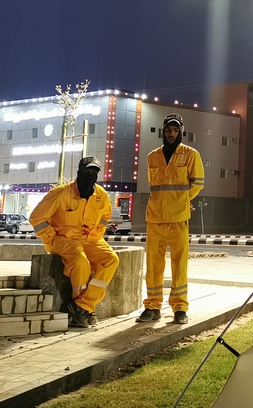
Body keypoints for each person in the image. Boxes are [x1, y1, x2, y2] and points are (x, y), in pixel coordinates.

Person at [29, 156, 119, 328]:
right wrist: (51, 238)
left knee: (111, 260)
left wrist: (97, 232)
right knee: (80, 261)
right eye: (87, 171)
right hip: (63, 239)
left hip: (91, 239)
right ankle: (82, 308)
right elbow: (37, 217)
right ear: (79, 171)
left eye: (94, 171)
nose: (90, 174)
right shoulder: (61, 193)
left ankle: (82, 306)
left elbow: (106, 216)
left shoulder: (101, 195)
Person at [138, 113, 204, 325]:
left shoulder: (191, 155)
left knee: (179, 265)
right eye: (168, 130)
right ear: (163, 132)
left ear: (180, 132)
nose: (171, 134)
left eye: (175, 130)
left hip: (178, 218)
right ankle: (152, 306)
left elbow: (198, 182)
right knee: (153, 266)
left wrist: (183, 201)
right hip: (155, 218)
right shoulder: (152, 157)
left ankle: (179, 308)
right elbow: (154, 187)